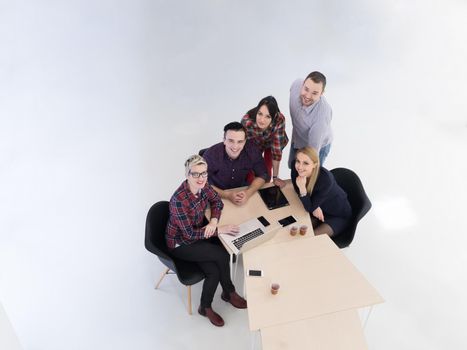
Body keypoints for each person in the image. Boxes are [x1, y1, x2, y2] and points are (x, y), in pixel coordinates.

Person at [166, 155, 247, 327]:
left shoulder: (204, 185)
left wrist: (213, 221)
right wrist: (219, 231)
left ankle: (205, 307)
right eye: (195, 174)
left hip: (199, 233)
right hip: (181, 244)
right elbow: (188, 235)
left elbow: (217, 201)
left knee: (214, 272)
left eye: (204, 173)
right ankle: (229, 291)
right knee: (222, 255)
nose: (201, 178)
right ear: (187, 175)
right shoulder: (178, 201)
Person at [203, 121, 269, 206]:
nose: (235, 146)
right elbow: (202, 182)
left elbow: (262, 174)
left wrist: (248, 193)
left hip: (241, 191)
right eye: (231, 141)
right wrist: (227, 195)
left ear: (245, 141)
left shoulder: (252, 150)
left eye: (240, 142)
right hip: (216, 193)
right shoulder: (211, 154)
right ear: (224, 140)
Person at [292, 147, 351, 237]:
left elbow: (308, 205)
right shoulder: (295, 167)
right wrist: (315, 206)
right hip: (317, 209)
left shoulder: (325, 179)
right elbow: (297, 189)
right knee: (296, 230)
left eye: (306, 163)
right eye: (298, 161)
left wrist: (303, 190)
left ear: (315, 164)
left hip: (337, 215)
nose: (300, 167)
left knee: (310, 239)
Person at [288, 71, 333, 171]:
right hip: (298, 138)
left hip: (317, 145)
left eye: (314, 93)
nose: (308, 96)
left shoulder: (322, 117)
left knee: (309, 175)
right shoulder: (296, 85)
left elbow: (312, 153)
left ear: (321, 94)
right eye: (306, 89)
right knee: (293, 167)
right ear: (303, 84)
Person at [241, 96, 289, 188]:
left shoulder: (279, 119)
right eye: (260, 114)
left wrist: (275, 178)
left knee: (267, 174)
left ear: (274, 116)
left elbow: (276, 152)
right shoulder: (247, 122)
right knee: (250, 177)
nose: (262, 120)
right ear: (257, 111)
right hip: (254, 145)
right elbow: (248, 153)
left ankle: (266, 190)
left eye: (267, 116)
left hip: (271, 144)